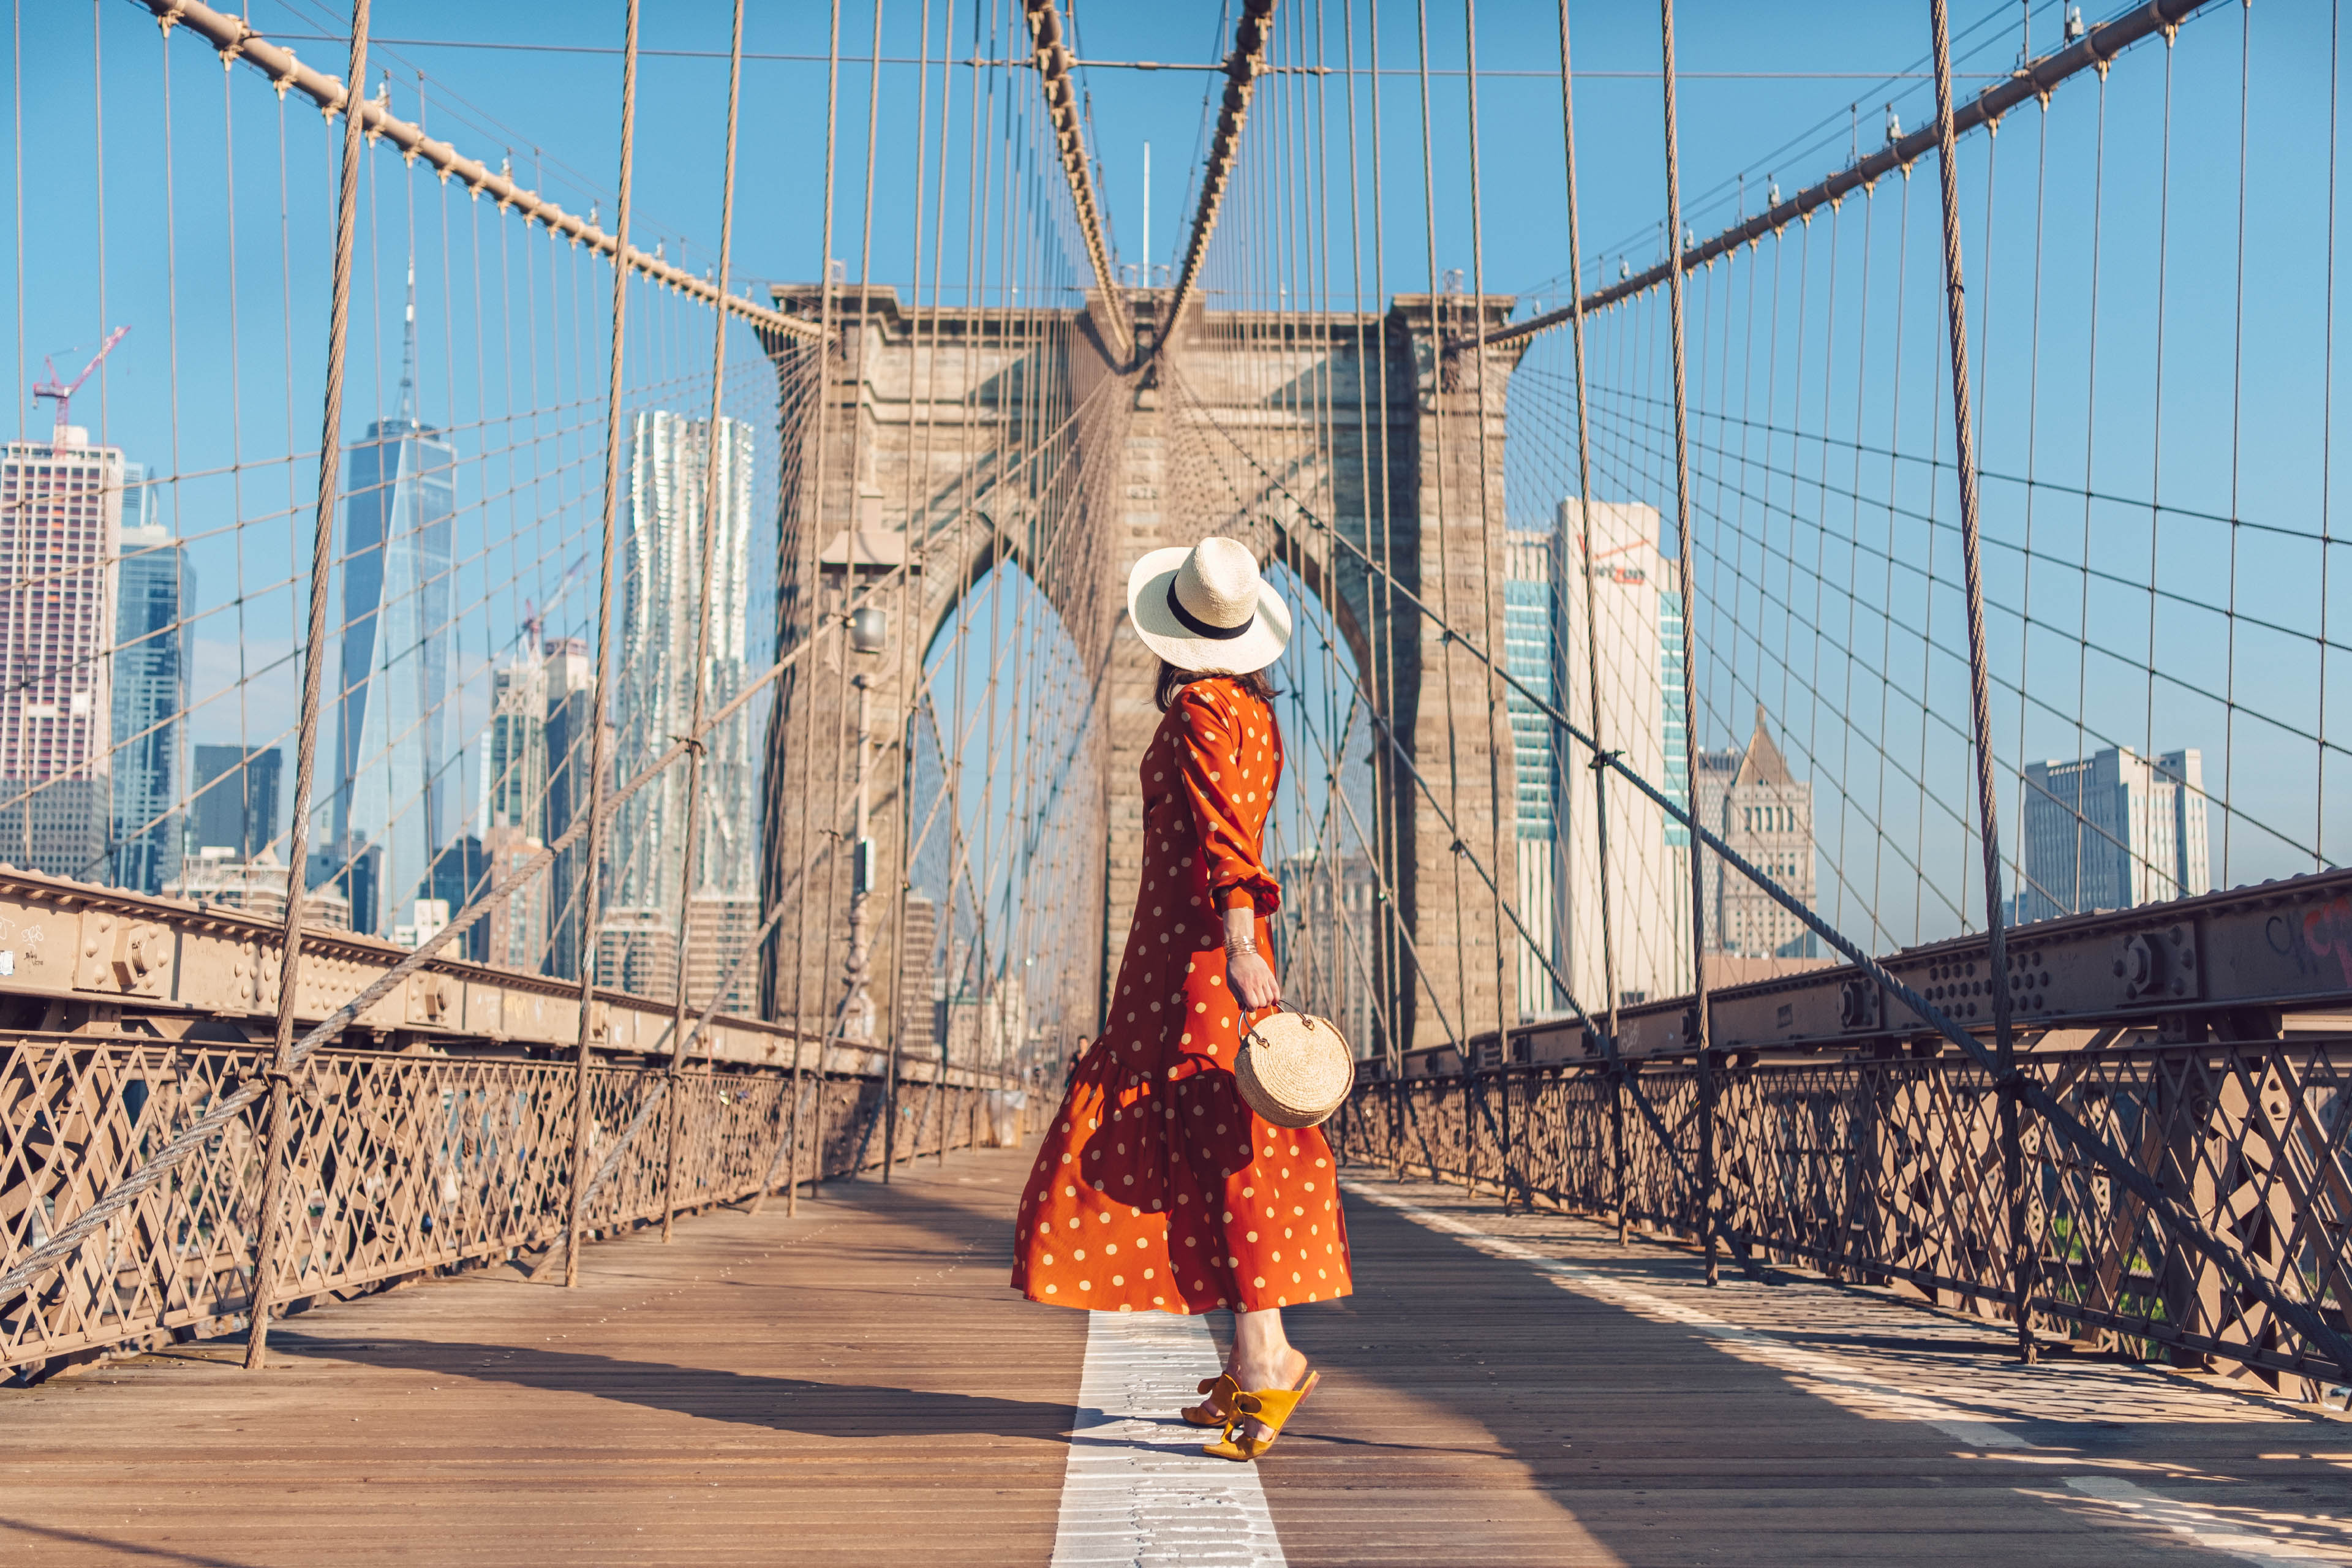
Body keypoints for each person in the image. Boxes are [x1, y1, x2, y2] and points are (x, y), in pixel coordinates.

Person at [1011, 535, 1351, 1463]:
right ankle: (1253, 1355)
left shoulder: (1200, 708)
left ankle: (1270, 1353)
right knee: (1222, 1150)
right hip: (1189, 959)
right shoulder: (1253, 713)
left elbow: (1225, 836)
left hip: (1194, 965)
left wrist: (1241, 944)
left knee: (1223, 1150)